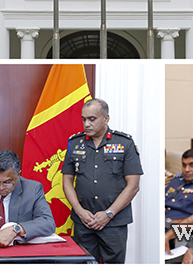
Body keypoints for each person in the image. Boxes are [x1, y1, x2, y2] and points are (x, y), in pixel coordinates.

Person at [62, 98, 143, 263]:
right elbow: (67, 181)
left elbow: (133, 186)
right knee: (81, 264)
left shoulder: (124, 143)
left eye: (92, 119)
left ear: (106, 119)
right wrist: (79, 210)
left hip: (114, 223)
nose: (86, 124)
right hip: (83, 221)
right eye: (84, 119)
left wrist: (108, 214)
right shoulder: (75, 143)